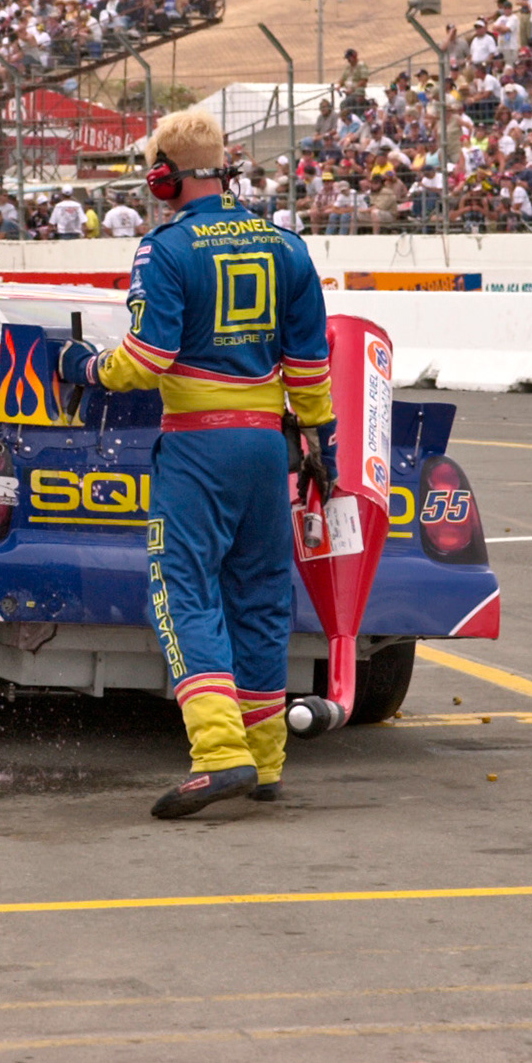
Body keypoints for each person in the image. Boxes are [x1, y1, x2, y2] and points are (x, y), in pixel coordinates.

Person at [53, 110, 334, 819]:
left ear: (164, 177)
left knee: (181, 592)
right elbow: (308, 363)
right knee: (263, 594)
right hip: (270, 446)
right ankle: (266, 761)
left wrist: (86, 368)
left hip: (199, 444)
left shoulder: (165, 248)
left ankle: (219, 754)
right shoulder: (288, 246)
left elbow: (149, 358)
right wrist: (318, 438)